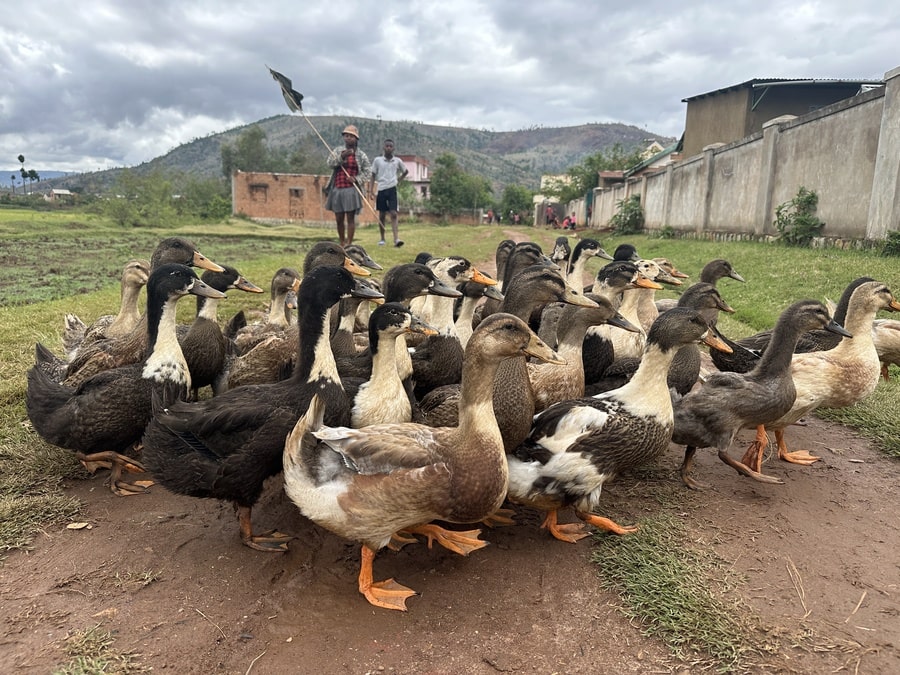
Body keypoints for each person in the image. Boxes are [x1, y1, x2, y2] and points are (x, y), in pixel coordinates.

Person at [326, 125, 371, 247]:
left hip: (351, 189)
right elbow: (330, 163)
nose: (348, 138)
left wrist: (356, 179)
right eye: (346, 136)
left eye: (351, 136)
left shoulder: (361, 155)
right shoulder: (338, 151)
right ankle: (342, 242)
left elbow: (368, 172)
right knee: (339, 218)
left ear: (356, 139)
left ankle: (349, 243)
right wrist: (342, 157)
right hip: (337, 188)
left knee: (350, 218)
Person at [368, 139, 409, 247]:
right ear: (384, 147)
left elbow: (405, 171)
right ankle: (382, 239)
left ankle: (396, 239)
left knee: (394, 213)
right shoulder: (377, 160)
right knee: (382, 215)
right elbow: (372, 175)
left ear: (393, 148)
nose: (389, 148)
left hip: (392, 189)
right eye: (387, 146)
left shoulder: (397, 161)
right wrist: (370, 191)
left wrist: (398, 180)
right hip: (381, 189)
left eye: (391, 146)